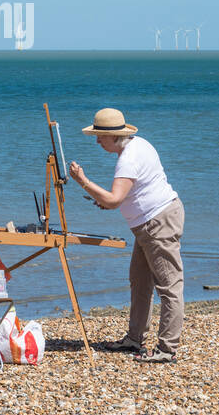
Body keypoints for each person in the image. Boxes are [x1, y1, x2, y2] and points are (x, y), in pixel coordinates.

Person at [68, 108, 184, 362]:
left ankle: (167, 349)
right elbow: (126, 194)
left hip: (157, 222)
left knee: (169, 286)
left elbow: (113, 200)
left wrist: (83, 181)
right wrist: (109, 200)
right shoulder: (138, 145)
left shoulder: (128, 158)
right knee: (140, 282)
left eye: (100, 136)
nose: (97, 141)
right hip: (148, 224)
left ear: (115, 136)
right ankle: (134, 338)